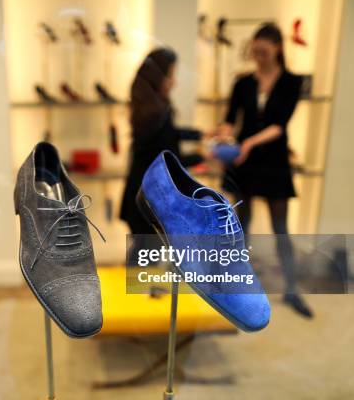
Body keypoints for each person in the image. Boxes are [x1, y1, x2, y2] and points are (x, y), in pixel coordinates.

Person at [218, 23, 312, 318]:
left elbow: (279, 125)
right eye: (254, 51)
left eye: (263, 51)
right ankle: (238, 287)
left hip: (273, 161)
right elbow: (231, 119)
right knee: (241, 226)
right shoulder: (243, 83)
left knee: (280, 228)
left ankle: (292, 288)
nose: (258, 57)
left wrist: (247, 144)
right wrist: (223, 135)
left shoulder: (292, 82)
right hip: (245, 163)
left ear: (278, 49)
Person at [120, 48, 204, 235]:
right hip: (149, 197)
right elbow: (172, 162)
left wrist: (202, 135)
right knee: (147, 256)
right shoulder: (156, 113)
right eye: (171, 76)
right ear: (159, 78)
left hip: (140, 192)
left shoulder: (149, 108)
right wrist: (203, 156)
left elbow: (170, 134)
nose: (174, 82)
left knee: (144, 254)